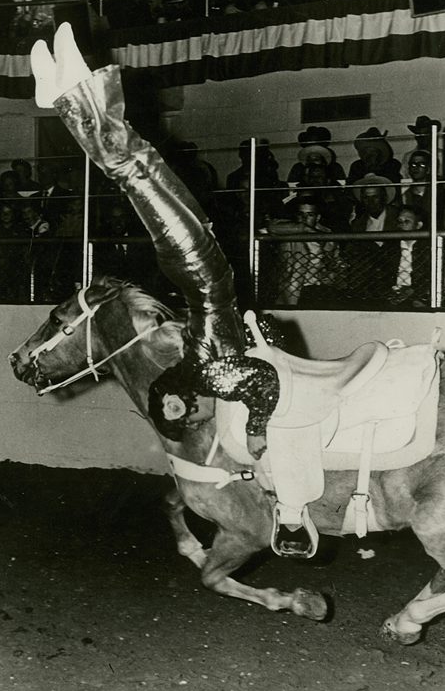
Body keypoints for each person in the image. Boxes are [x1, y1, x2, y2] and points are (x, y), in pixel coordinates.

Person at [30, 23, 280, 461]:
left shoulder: (201, 368)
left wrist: (256, 415)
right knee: (144, 163)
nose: (177, 404)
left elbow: (262, 376)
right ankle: (67, 99)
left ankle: (71, 100)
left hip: (194, 265)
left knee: (134, 171)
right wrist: (256, 409)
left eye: (168, 406)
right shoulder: (211, 375)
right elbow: (265, 372)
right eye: (176, 408)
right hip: (205, 263)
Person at [345, 174, 401, 300]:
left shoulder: (399, 217)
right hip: (367, 286)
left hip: (397, 280)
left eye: (375, 197)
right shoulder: (357, 225)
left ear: (384, 197)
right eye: (366, 198)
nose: (370, 202)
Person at [390, 205, 430, 307]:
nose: (402, 225)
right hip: (393, 292)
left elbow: (428, 278)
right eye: (399, 221)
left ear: (418, 225)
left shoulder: (427, 248)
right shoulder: (391, 246)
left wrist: (411, 291)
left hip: (416, 294)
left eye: (407, 221)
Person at [347, 127, 402, 196]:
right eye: (365, 152)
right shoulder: (357, 166)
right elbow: (349, 191)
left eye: (373, 152)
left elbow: (394, 190)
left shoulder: (392, 165)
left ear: (380, 153)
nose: (368, 156)